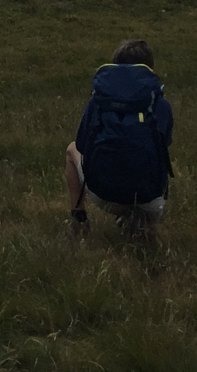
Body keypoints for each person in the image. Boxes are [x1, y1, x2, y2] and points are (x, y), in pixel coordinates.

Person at [65, 39, 174, 239]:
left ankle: (79, 220)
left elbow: (82, 143)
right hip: (150, 197)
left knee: (71, 149)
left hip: (104, 193)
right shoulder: (159, 103)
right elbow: (164, 144)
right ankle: (140, 218)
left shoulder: (97, 101)